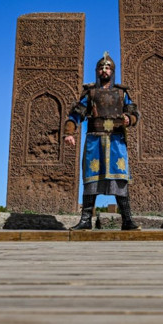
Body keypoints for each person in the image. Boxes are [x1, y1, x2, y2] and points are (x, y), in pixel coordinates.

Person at [64, 52, 140, 231]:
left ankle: (127, 221)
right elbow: (76, 113)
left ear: (112, 71)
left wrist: (129, 119)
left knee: (120, 180)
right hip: (95, 141)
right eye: (101, 68)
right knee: (91, 181)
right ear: (97, 71)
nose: (104, 70)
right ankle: (85, 221)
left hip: (116, 141)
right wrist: (69, 132)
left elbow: (134, 112)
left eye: (107, 68)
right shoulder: (90, 93)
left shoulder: (122, 93)